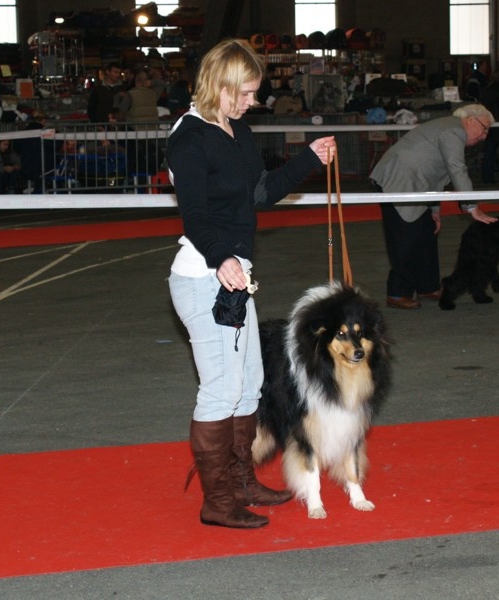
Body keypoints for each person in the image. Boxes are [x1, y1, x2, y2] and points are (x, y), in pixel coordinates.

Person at [166, 38, 336, 529]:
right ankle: (218, 503)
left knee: (250, 387)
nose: (250, 103)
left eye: (253, 94)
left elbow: (261, 192)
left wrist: (308, 159)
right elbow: (195, 215)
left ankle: (241, 484)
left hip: (234, 275)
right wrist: (221, 258)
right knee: (220, 390)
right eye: (243, 93)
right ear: (217, 84)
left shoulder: (236, 131)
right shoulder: (190, 137)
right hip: (204, 276)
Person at [369, 104, 498, 310]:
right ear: (471, 120)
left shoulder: (450, 128)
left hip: (416, 183)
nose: (484, 136)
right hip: (398, 181)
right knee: (405, 238)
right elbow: (457, 170)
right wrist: (473, 207)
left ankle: (427, 286)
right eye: (485, 129)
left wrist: (434, 211)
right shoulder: (454, 131)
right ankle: (397, 293)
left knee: (426, 234)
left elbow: (438, 176)